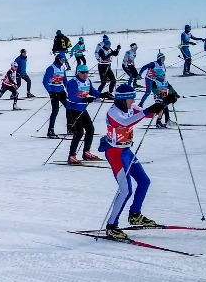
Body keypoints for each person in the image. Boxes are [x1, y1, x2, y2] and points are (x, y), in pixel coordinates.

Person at [98, 86, 166, 240]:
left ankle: (135, 214)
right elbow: (126, 123)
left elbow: (146, 114)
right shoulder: (113, 112)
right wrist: (147, 111)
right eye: (131, 98)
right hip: (115, 154)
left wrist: (162, 104)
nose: (133, 101)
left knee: (144, 181)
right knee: (125, 190)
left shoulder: (131, 107)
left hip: (127, 152)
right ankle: (111, 226)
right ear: (123, 99)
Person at [64, 64, 103, 164]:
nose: (85, 74)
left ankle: (86, 152)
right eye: (83, 72)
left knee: (90, 129)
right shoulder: (73, 82)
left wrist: (102, 94)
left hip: (82, 108)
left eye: (87, 72)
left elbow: (92, 91)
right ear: (78, 73)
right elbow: (72, 97)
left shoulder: (87, 81)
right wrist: (85, 99)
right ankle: (72, 155)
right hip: (73, 109)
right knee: (79, 132)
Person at [42, 54, 69, 138]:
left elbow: (65, 80)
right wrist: (50, 92)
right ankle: (50, 130)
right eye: (61, 60)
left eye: (63, 60)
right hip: (54, 92)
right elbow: (45, 81)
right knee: (55, 110)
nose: (62, 62)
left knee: (70, 108)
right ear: (57, 59)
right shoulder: (51, 68)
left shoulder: (62, 68)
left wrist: (69, 89)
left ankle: (70, 127)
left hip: (61, 91)